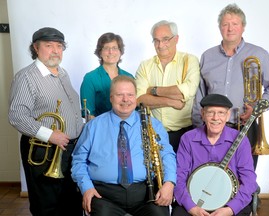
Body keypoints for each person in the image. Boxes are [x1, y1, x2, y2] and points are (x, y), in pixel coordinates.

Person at [192, 4, 269, 169]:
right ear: (220, 27)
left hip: (246, 128)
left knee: (245, 177)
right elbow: (200, 95)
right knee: (214, 176)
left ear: (243, 27)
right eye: (225, 24)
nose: (230, 28)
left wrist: (256, 109)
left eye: (235, 24)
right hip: (213, 128)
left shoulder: (259, 54)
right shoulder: (207, 56)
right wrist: (200, 128)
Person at [72, 75, 176, 216]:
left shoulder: (153, 124)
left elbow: (167, 155)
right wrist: (86, 188)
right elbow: (78, 160)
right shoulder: (93, 126)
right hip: (104, 195)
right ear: (111, 98)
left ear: (135, 97)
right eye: (120, 95)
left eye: (130, 95)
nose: (125, 99)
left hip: (146, 192)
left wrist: (169, 183)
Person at [8, 27, 84, 216]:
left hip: (68, 149)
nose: (55, 51)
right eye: (49, 46)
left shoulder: (62, 73)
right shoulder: (27, 77)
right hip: (44, 150)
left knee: (70, 202)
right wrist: (50, 135)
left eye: (59, 46)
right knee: (47, 206)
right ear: (35, 47)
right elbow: (17, 115)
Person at [173, 94, 258, 216]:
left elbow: (249, 180)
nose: (215, 118)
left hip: (230, 202)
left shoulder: (240, 140)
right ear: (202, 114)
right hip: (195, 201)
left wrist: (230, 209)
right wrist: (191, 207)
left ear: (228, 115)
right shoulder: (188, 139)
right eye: (210, 112)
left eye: (221, 113)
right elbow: (179, 177)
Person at [135, 20, 200, 153]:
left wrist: (153, 91)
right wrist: (170, 101)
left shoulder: (190, 60)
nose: (160, 45)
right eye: (156, 40)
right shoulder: (145, 66)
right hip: (152, 134)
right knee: (155, 173)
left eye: (165, 39)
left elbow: (186, 92)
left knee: (183, 173)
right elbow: (139, 100)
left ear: (176, 39)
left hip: (184, 134)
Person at [80, 32, 134, 119]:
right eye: (106, 48)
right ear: (100, 52)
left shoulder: (129, 77)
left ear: (120, 52)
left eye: (114, 48)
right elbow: (88, 113)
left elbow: (134, 107)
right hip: (100, 127)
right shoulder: (90, 78)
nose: (110, 52)